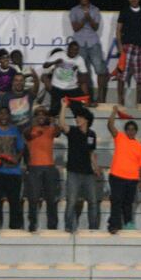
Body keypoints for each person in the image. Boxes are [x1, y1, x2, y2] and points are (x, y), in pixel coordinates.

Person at [59, 100, 100, 233]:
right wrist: (64, 107)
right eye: (76, 117)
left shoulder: (92, 134)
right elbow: (62, 124)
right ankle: (68, 227)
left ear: (87, 120)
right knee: (71, 201)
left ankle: (93, 228)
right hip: (74, 172)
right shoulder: (73, 131)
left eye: (80, 117)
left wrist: (96, 167)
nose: (77, 119)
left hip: (88, 173)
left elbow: (91, 152)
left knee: (93, 201)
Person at [107, 106, 141, 233]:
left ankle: (127, 224)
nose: (131, 131)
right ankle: (114, 225)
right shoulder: (119, 137)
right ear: (125, 131)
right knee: (116, 201)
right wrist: (114, 112)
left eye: (133, 130)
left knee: (128, 203)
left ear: (136, 131)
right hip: (117, 177)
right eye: (128, 129)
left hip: (132, 179)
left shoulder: (140, 146)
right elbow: (110, 125)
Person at [22, 107, 61, 232]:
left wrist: (52, 120)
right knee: (33, 198)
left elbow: (59, 131)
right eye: (38, 115)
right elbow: (26, 135)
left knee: (51, 198)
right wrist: (33, 123)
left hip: (49, 167)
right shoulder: (29, 130)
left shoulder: (50, 129)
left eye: (43, 115)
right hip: (34, 167)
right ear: (34, 117)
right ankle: (32, 225)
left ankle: (52, 226)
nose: (41, 116)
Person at [69, 0, 109, 104]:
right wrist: (84, 18)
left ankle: (101, 98)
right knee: (83, 72)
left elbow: (95, 27)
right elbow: (75, 28)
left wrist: (89, 18)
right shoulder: (74, 11)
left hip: (93, 42)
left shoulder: (95, 10)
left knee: (100, 70)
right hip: (79, 44)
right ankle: (86, 98)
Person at [115, 0, 141, 105]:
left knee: (140, 78)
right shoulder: (124, 11)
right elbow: (118, 30)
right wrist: (120, 46)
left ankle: (139, 103)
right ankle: (120, 101)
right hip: (127, 47)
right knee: (121, 76)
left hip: (140, 48)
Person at [45, 41, 89, 117]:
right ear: (68, 49)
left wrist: (80, 78)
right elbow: (45, 66)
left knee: (78, 111)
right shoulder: (58, 55)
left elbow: (84, 75)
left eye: (76, 50)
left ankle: (79, 126)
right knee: (54, 111)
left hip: (72, 88)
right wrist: (55, 62)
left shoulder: (79, 59)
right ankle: (51, 127)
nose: (74, 52)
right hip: (57, 87)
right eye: (72, 49)